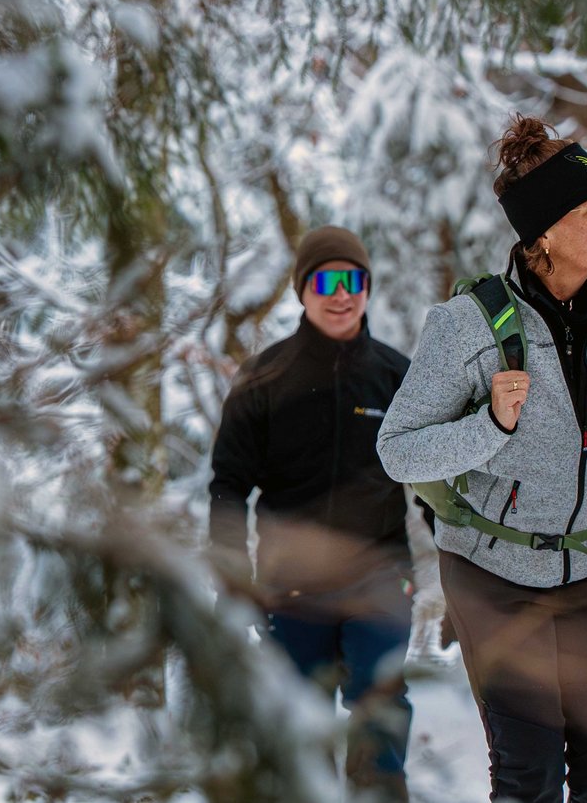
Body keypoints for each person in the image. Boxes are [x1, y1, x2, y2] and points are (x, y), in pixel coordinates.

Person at [376, 115, 587, 803]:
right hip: (497, 580)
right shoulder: (467, 325)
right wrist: (490, 425)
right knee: (529, 781)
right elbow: (398, 449)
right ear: (544, 234)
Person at [207, 226, 415, 801]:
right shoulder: (263, 378)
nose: (341, 294)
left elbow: (433, 488)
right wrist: (232, 576)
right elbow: (228, 486)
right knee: (299, 724)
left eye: (353, 280)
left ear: (367, 286)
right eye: (325, 282)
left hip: (381, 575)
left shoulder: (398, 377)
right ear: (302, 290)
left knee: (379, 706)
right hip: (291, 586)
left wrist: (465, 573)